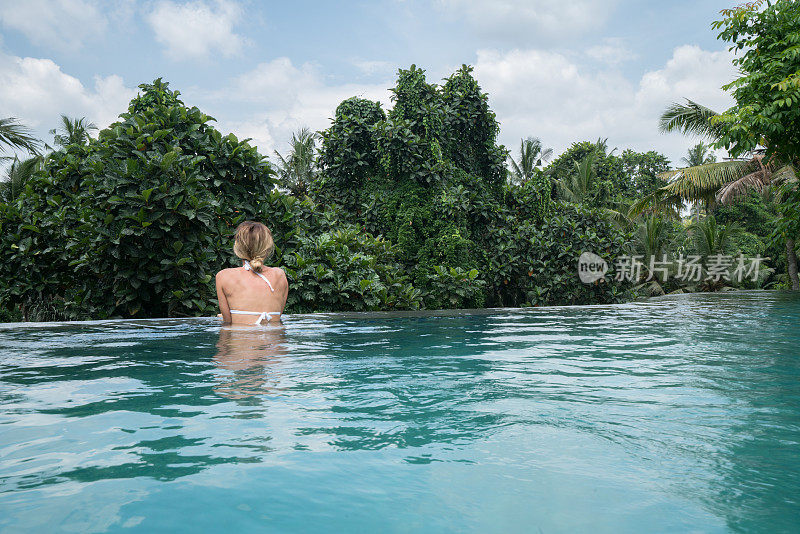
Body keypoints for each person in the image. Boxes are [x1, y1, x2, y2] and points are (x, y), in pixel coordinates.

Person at [216, 221, 288, 325]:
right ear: (267, 248)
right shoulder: (280, 275)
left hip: (240, 339)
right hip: (273, 339)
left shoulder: (223, 276)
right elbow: (275, 317)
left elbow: (228, 322)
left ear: (238, 247)